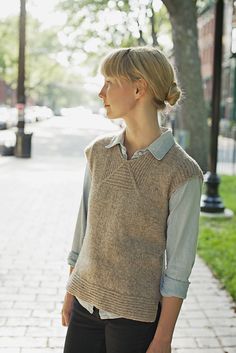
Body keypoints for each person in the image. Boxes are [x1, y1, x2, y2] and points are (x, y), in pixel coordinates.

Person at [62, 46, 203, 353]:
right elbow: (83, 231)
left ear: (139, 87)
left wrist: (163, 338)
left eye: (110, 82)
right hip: (84, 308)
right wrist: (70, 292)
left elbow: (178, 267)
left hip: (135, 320)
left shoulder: (183, 173)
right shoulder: (98, 153)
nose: (102, 92)